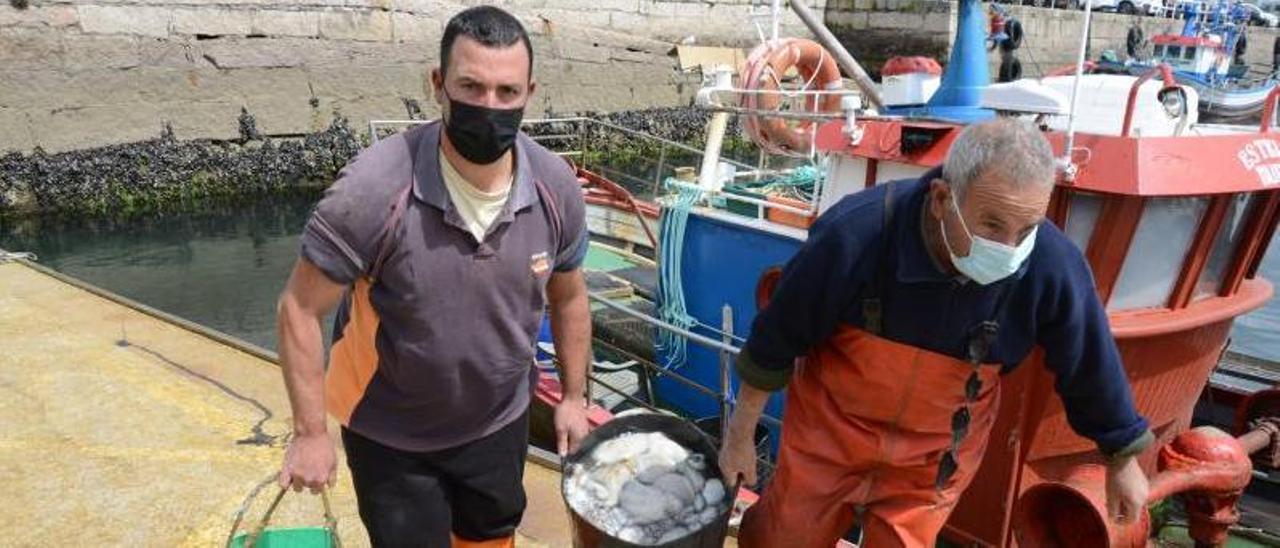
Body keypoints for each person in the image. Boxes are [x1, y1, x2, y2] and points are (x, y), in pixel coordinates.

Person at [719, 119, 1154, 547]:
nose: (1009, 248)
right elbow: (776, 339)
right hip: (829, 435)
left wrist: (1123, 460)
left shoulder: (1053, 266)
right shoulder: (856, 233)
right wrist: (739, 436)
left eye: (1027, 228)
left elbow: (1090, 366)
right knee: (783, 538)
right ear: (942, 199)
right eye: (991, 225)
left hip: (936, 457)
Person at [274, 6, 593, 547]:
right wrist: (310, 433)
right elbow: (299, 309)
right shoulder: (373, 191)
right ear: (438, 84)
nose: (489, 106)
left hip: (498, 422)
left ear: (529, 93)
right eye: (471, 86)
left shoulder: (555, 187)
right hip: (390, 432)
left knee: (492, 537)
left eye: (506, 92)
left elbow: (569, 297)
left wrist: (573, 397)